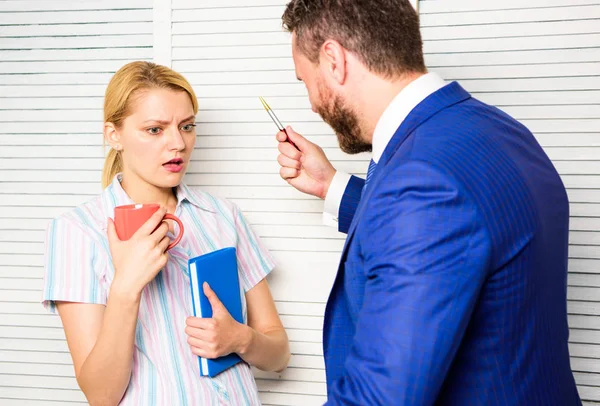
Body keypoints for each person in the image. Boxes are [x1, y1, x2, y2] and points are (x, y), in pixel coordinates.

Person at [276, 0, 581, 405]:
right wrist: (331, 186)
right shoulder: (498, 129)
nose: (312, 103)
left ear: (333, 60)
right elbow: (467, 230)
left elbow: (380, 398)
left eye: (305, 80)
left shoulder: (421, 183)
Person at [42, 61, 290, 405]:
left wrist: (240, 340)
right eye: (155, 129)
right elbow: (101, 396)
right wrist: (126, 286)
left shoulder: (223, 216)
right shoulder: (78, 231)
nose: (178, 143)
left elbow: (278, 353)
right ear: (114, 135)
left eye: (186, 126)